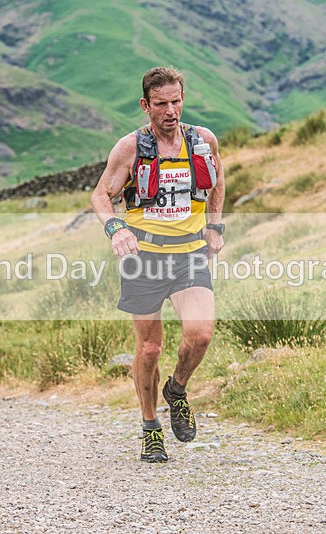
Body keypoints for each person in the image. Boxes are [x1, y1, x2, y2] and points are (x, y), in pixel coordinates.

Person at [91, 66, 226, 463]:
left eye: (177, 101)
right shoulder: (130, 148)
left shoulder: (202, 141)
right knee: (149, 348)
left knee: (200, 334)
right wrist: (116, 228)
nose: (171, 111)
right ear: (145, 105)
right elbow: (101, 196)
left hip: (188, 255)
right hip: (144, 258)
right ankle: (150, 426)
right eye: (162, 104)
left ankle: (178, 389)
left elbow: (217, 180)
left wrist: (215, 224)